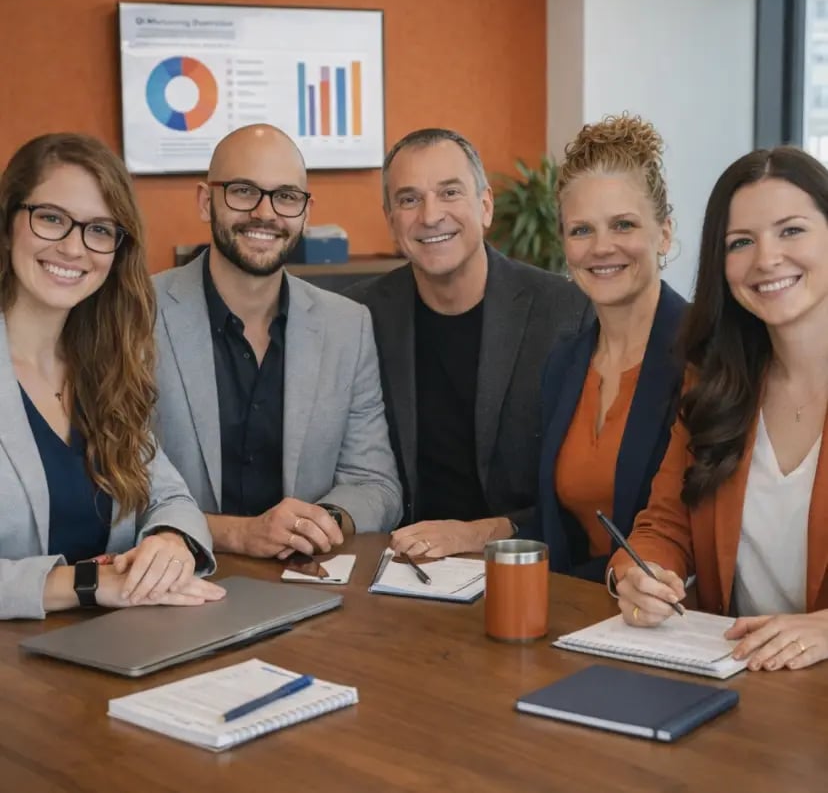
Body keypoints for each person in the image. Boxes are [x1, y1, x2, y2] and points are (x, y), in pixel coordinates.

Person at [610, 145, 828, 671]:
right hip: (737, 686)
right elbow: (665, 525)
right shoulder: (713, 382)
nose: (767, 258)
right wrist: (639, 576)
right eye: (741, 242)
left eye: (791, 230)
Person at [0, 133, 223, 619]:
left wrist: (170, 541)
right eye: (52, 218)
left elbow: (172, 497)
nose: (74, 248)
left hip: (112, 650)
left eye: (99, 229)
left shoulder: (105, 367)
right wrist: (85, 583)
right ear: (8, 221)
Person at [153, 124, 402, 560]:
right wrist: (240, 534)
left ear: (305, 212)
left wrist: (315, 524)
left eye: (286, 196)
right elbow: (114, 490)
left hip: (304, 584)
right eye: (244, 190)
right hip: (174, 582)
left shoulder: (347, 325)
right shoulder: (136, 314)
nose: (265, 213)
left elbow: (375, 484)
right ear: (204, 200)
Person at [346, 128, 590, 558]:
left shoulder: (567, 313)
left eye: (449, 192)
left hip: (528, 565)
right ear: (390, 220)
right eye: (409, 199)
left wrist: (477, 534)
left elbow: (584, 491)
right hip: (398, 565)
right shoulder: (358, 316)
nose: (429, 215)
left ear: (486, 205)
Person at [529, 115, 685, 581]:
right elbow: (556, 528)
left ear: (665, 234)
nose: (601, 247)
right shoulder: (564, 363)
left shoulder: (711, 355)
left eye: (623, 225)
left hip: (685, 620)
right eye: (581, 230)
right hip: (580, 618)